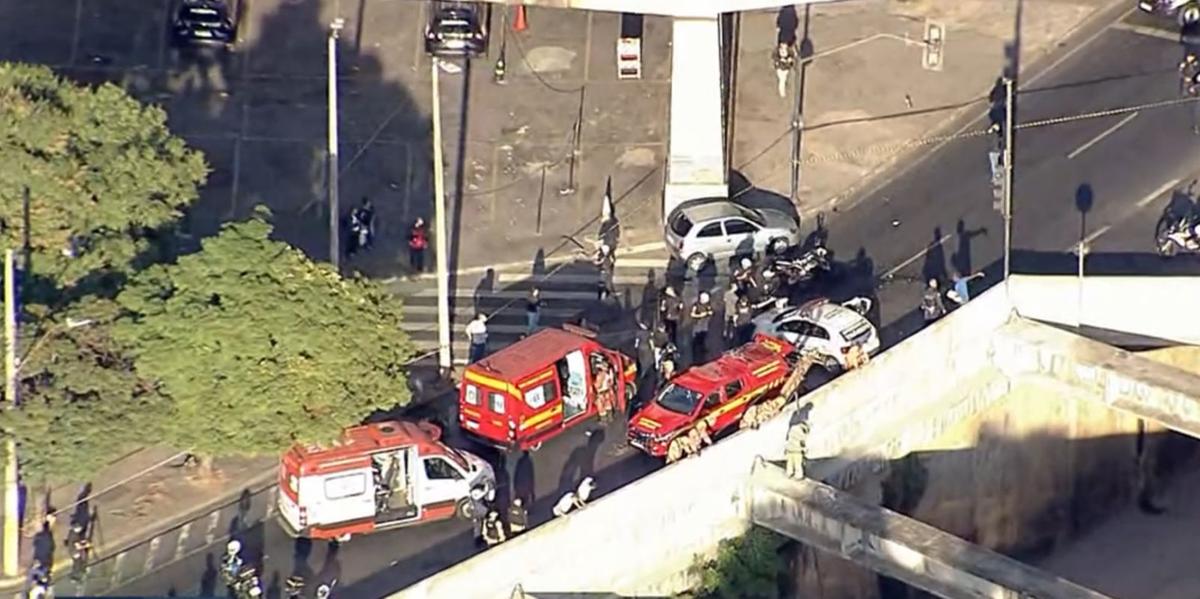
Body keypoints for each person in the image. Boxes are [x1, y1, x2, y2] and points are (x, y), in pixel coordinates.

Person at [690, 292, 714, 361]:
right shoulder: (696, 305)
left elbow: (710, 311)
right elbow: (692, 314)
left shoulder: (707, 305)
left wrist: (709, 313)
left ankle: (702, 348)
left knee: (704, 336)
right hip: (697, 324)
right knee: (696, 339)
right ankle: (695, 352)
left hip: (705, 324)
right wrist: (700, 315)